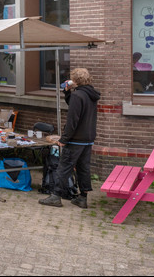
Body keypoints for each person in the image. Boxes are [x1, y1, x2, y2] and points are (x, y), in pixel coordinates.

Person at [38, 68, 100, 209]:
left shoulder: (78, 95)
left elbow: (73, 120)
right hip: (88, 137)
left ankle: (56, 196)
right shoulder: (90, 94)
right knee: (83, 168)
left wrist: (64, 139)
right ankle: (82, 198)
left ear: (75, 80)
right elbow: (76, 107)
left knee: (64, 167)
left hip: (75, 139)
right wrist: (67, 92)